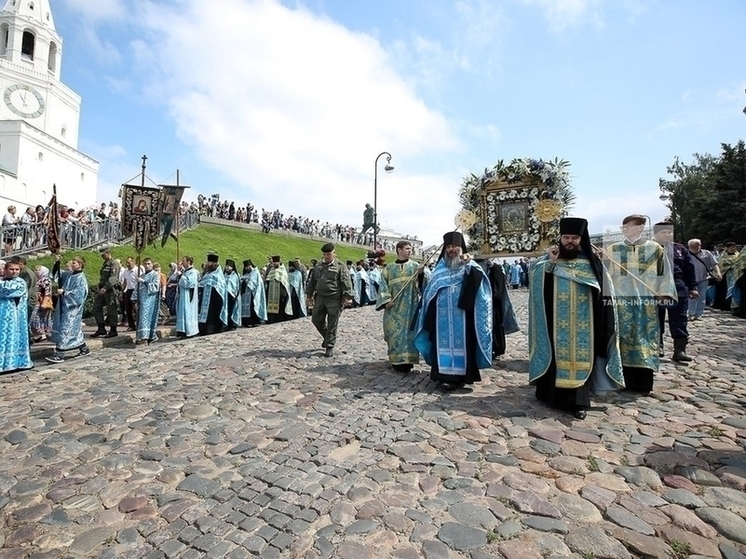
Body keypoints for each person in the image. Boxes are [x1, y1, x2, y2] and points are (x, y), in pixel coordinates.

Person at [528, 218, 624, 419]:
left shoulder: (592, 263)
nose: (570, 241)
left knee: (581, 359)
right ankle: (550, 396)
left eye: (574, 238)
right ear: (560, 238)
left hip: (585, 324)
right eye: (566, 237)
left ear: (581, 239)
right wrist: (550, 264)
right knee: (556, 357)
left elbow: (606, 293)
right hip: (556, 322)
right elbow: (535, 283)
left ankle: (578, 402)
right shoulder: (549, 261)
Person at [605, 214, 676, 393]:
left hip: (647, 304)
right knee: (623, 339)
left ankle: (643, 382)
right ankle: (622, 379)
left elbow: (665, 272)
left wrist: (664, 292)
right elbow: (605, 275)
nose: (626, 230)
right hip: (621, 303)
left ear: (641, 228)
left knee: (645, 339)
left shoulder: (654, 249)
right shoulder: (613, 250)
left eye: (630, 226)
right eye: (624, 227)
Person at [413, 231, 493, 390]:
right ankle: (442, 376)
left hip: (463, 315)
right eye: (448, 247)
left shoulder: (470, 265)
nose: (451, 250)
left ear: (461, 248)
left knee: (463, 345)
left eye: (455, 246)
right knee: (440, 345)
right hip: (440, 317)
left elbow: (482, 288)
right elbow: (429, 291)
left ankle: (461, 377)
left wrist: (469, 266)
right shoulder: (440, 268)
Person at [376, 240, 429, 372]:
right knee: (393, 333)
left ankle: (408, 361)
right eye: (407, 248)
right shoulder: (389, 268)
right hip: (393, 307)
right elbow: (383, 285)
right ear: (399, 250)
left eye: (410, 249)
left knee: (409, 334)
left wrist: (422, 274)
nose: (410, 251)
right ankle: (396, 360)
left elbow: (425, 285)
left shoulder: (415, 266)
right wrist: (386, 301)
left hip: (411, 306)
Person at [653, 223, 697, 362]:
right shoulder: (648, 249)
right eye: (663, 232)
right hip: (655, 287)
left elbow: (689, 269)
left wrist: (693, 287)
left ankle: (680, 350)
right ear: (656, 234)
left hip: (678, 287)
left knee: (679, 320)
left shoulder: (680, 249)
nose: (667, 235)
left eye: (669, 232)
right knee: (655, 319)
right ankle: (657, 347)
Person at [306, 242, 353, 357]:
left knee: (332, 323)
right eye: (324, 254)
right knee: (316, 319)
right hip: (321, 297)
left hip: (334, 298)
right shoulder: (318, 266)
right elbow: (312, 282)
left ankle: (329, 346)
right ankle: (328, 338)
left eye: (328, 254)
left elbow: (346, 282)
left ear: (333, 253)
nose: (326, 256)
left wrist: (348, 297)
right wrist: (309, 295)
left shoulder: (340, 266)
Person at [45, 255, 90, 363]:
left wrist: (65, 293)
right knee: (73, 330)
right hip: (64, 306)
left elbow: (79, 295)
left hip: (73, 309)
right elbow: (58, 275)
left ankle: (59, 354)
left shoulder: (81, 278)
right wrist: (57, 262)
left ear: (80, 265)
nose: (71, 264)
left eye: (74, 262)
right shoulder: (70, 274)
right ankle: (84, 348)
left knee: (66, 329)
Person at [474, 256, 520, 358]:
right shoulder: (473, 264)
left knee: (494, 324)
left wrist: (493, 267)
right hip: (477, 301)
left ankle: (496, 347)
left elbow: (500, 283)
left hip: (493, 302)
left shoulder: (495, 266)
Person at [0, 259, 33, 372]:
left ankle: (12, 363)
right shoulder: (3, 280)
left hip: (14, 317)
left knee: (11, 338)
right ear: (5, 270)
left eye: (17, 269)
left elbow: (6, 290)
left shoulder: (20, 282)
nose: (14, 272)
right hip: (3, 316)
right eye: (11, 269)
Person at [92, 247, 122, 338]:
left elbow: (113, 278)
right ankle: (101, 328)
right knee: (96, 307)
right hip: (103, 289)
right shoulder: (105, 263)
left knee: (111, 310)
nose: (102, 256)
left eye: (103, 254)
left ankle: (113, 330)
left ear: (108, 253)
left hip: (110, 289)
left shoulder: (114, 263)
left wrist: (105, 287)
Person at [687, 238, 720, 320]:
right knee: (692, 297)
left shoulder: (707, 253)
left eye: (697, 246)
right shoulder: (686, 254)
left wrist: (718, 273)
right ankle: (691, 313)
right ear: (689, 246)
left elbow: (714, 264)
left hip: (704, 278)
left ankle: (699, 314)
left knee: (702, 297)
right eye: (693, 246)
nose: (696, 248)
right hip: (691, 279)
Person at [132, 258, 160, 345]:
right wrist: (134, 299)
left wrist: (145, 282)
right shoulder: (142, 275)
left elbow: (155, 287)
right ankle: (141, 336)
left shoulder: (155, 275)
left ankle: (145, 337)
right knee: (140, 318)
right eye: (145, 264)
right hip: (141, 300)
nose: (147, 266)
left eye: (148, 264)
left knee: (146, 318)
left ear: (152, 264)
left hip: (150, 299)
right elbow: (137, 288)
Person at [198, 253, 228, 335]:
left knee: (212, 314)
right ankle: (203, 329)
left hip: (214, 299)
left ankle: (212, 329)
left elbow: (220, 287)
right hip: (205, 298)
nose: (207, 264)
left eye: (209, 262)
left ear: (214, 264)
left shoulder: (218, 275)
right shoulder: (207, 274)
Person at [175, 255, 199, 338]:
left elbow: (189, 283)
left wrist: (181, 276)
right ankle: (182, 330)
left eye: (184, 261)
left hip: (188, 295)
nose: (182, 262)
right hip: (182, 295)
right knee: (182, 312)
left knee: (187, 312)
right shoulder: (185, 271)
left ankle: (189, 330)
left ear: (189, 262)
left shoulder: (193, 272)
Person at [265, 256, 293, 323]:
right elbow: (267, 280)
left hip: (280, 293)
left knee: (280, 307)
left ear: (279, 262)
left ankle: (280, 319)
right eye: (274, 263)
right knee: (270, 307)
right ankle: (271, 320)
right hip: (271, 294)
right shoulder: (271, 270)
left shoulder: (282, 271)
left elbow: (285, 283)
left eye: (276, 262)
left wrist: (283, 294)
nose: (275, 264)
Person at [240, 259, 267, 326]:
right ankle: (246, 322)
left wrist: (247, 282)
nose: (247, 268)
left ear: (251, 265)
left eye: (248, 266)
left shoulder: (255, 272)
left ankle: (255, 321)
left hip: (254, 293)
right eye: (245, 267)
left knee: (253, 307)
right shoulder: (246, 274)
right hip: (246, 294)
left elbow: (254, 283)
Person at [30, 265, 53, 342]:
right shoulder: (38, 279)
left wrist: (44, 302)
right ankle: (40, 335)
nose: (35, 271)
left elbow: (47, 292)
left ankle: (42, 334)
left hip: (41, 302)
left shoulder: (46, 280)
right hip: (37, 301)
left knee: (38, 318)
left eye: (38, 270)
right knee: (38, 318)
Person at [223, 259, 241, 330]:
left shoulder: (235, 276)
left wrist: (235, 295)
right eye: (226, 266)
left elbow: (237, 286)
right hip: (225, 295)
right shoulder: (224, 275)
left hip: (232, 296)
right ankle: (225, 324)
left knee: (231, 310)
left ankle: (231, 324)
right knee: (225, 310)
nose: (227, 267)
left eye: (229, 266)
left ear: (232, 267)